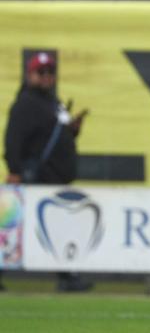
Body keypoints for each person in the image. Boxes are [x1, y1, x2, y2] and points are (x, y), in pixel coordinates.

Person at [3, 51, 91, 292]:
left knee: (54, 226)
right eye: (40, 72)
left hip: (54, 177)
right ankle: (66, 276)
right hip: (35, 177)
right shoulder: (25, 102)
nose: (46, 77)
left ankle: (66, 276)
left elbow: (50, 137)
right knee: (16, 227)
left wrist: (72, 130)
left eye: (50, 72)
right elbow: (13, 139)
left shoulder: (53, 102)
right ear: (29, 74)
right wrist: (14, 169)